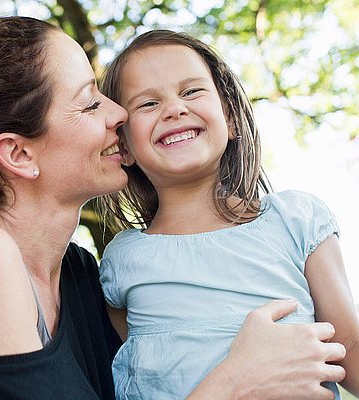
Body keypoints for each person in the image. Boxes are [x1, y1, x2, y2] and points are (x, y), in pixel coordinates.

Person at [0, 17, 347, 399]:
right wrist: (237, 382)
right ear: (19, 153)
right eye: (91, 101)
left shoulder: (80, 277)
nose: (119, 114)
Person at [99, 29, 359, 400]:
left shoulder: (294, 220)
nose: (175, 108)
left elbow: (348, 344)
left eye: (191, 92)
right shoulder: (122, 259)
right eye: (147, 104)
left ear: (232, 118)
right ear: (123, 146)